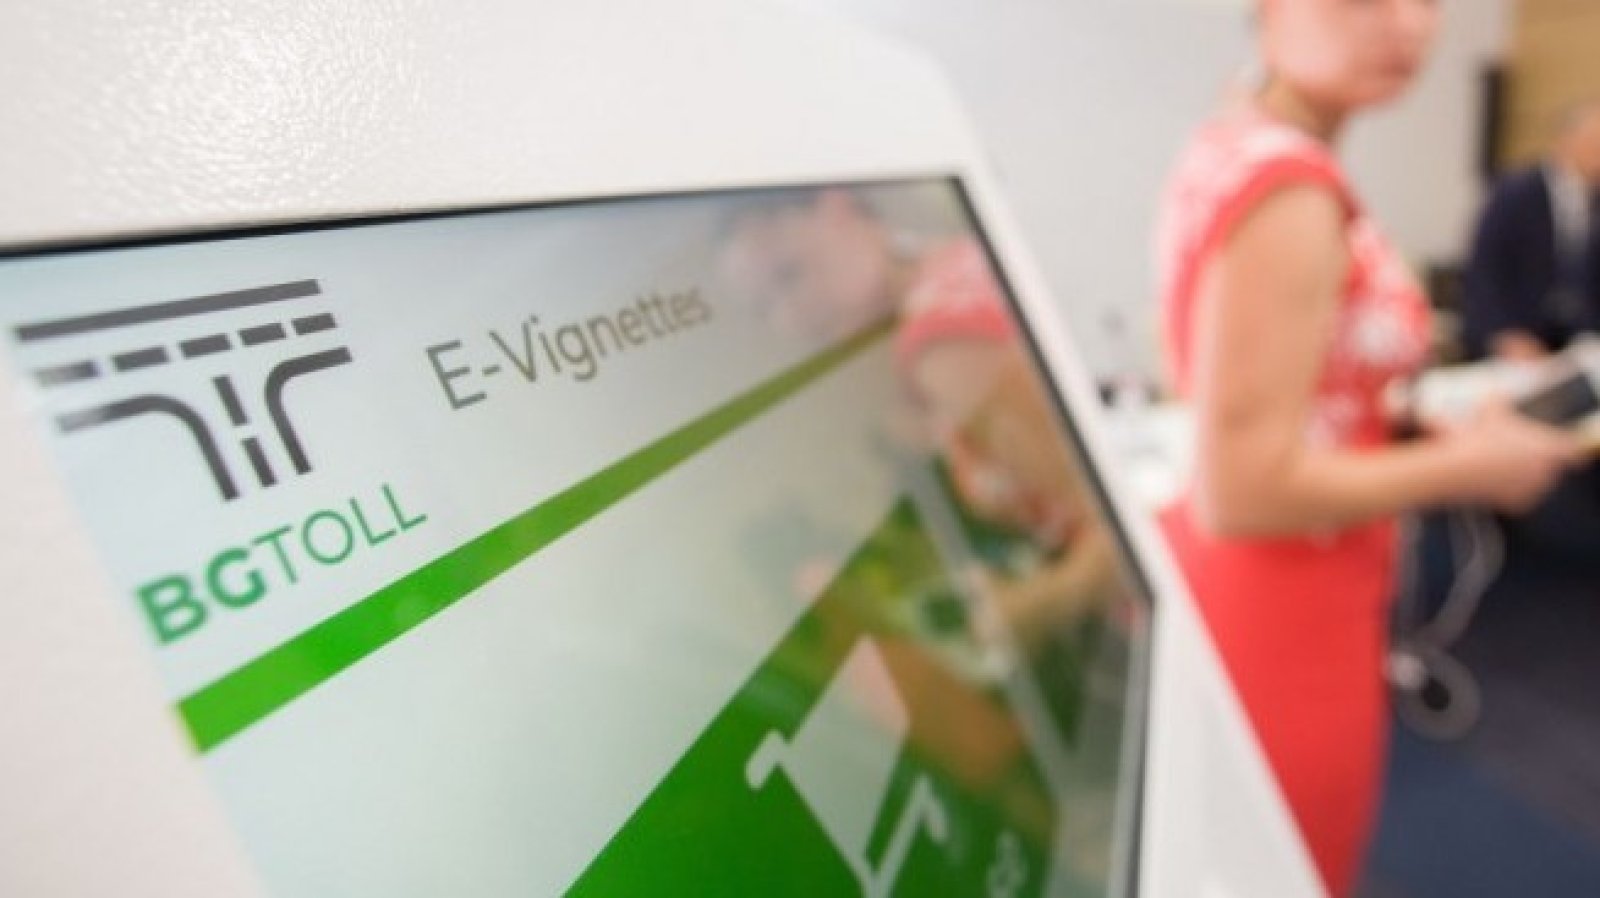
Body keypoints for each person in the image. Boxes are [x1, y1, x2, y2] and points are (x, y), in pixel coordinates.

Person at [1153, 1, 1583, 894]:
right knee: (1291, 862)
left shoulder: (1236, 141)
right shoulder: (1289, 186)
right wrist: (1468, 467)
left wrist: (1402, 425)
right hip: (1288, 599)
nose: (1408, 25)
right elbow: (1243, 488)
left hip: (1287, 580)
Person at [1462, 99, 1600, 361]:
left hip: (1578, 345)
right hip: (1521, 339)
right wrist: (1500, 334)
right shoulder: (1516, 192)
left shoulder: (1594, 199)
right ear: (1567, 140)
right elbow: (1484, 271)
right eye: (1594, 143)